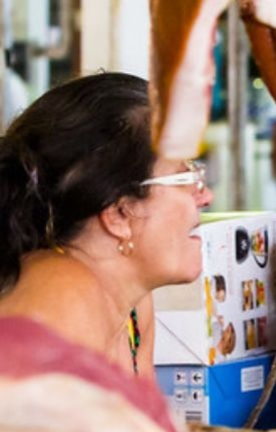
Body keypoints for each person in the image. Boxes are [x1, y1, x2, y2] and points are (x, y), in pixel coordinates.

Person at [0, 72, 213, 379]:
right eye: (184, 178)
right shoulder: (60, 298)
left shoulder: (134, 306)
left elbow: (147, 426)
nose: (205, 195)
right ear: (119, 214)